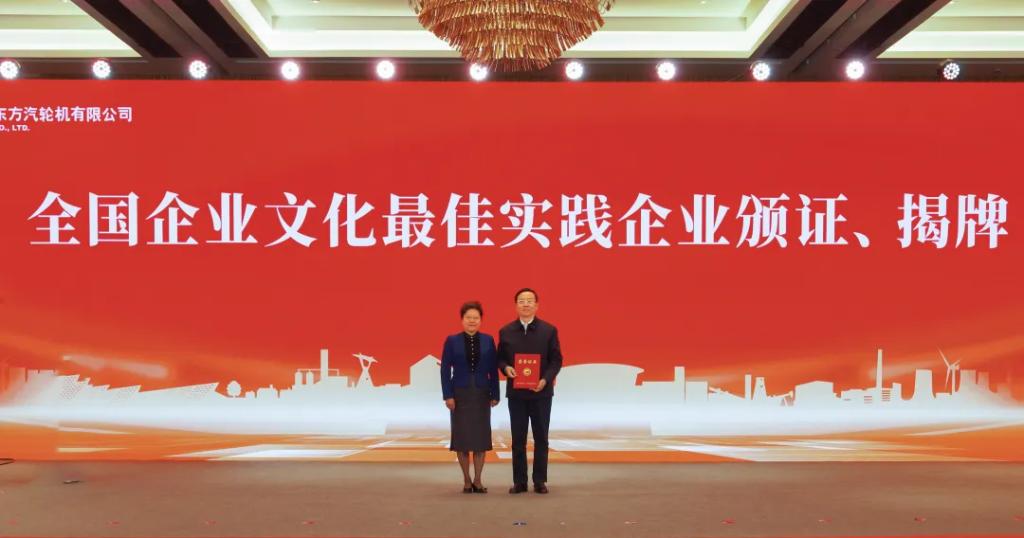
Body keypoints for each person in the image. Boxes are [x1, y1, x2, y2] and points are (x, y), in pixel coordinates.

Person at [497, 288, 563, 494]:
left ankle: (540, 480)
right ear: (516, 305)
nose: (525, 304)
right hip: (516, 394)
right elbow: (500, 358)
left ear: (536, 305)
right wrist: (506, 368)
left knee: (541, 438)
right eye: (521, 301)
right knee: (518, 439)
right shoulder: (506, 331)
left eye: (529, 300)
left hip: (541, 393)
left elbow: (556, 360)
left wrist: (545, 379)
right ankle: (520, 481)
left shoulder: (549, 330)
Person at [440, 301, 500, 493]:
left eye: (476, 318)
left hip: (482, 394)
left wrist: (495, 393)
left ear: (481, 320)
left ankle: (478, 480)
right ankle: (466, 480)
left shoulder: (488, 340)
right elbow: (445, 370)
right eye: (468, 318)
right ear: (462, 320)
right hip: (460, 395)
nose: (472, 321)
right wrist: (448, 395)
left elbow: (493, 370)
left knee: (481, 440)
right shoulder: (452, 340)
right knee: (462, 439)